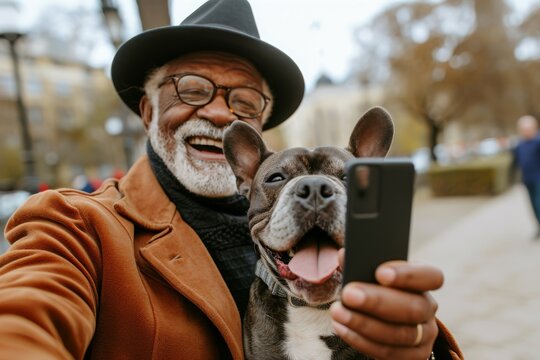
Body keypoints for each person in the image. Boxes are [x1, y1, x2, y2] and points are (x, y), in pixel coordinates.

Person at [0, 0, 462, 359]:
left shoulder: (334, 241)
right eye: (192, 89)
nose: (220, 112)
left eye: (244, 101)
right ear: (147, 111)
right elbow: (26, 313)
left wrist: (418, 346)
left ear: (257, 130)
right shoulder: (76, 226)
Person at [513, 114, 540, 239]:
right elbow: (516, 162)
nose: (526, 132)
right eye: (523, 129)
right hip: (527, 179)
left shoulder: (538, 142)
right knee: (533, 205)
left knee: (538, 203)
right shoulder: (519, 145)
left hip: (538, 178)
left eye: (528, 129)